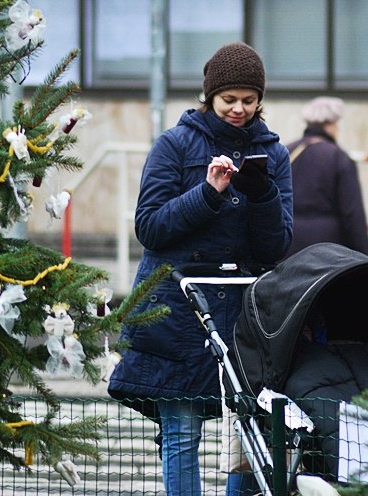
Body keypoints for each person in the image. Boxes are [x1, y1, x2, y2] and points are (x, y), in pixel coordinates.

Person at [108, 42, 293, 496]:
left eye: (249, 100)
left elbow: (278, 245)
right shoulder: (174, 145)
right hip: (178, 308)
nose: (239, 109)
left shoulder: (275, 153)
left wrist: (262, 194)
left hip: (247, 313)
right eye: (229, 99)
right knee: (181, 433)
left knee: (252, 433)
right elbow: (149, 227)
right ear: (209, 96)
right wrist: (208, 193)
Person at [284, 96, 368, 258]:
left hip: (287, 241)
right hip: (326, 247)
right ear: (331, 125)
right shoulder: (338, 157)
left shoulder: (286, 151)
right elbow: (353, 213)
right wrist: (366, 257)